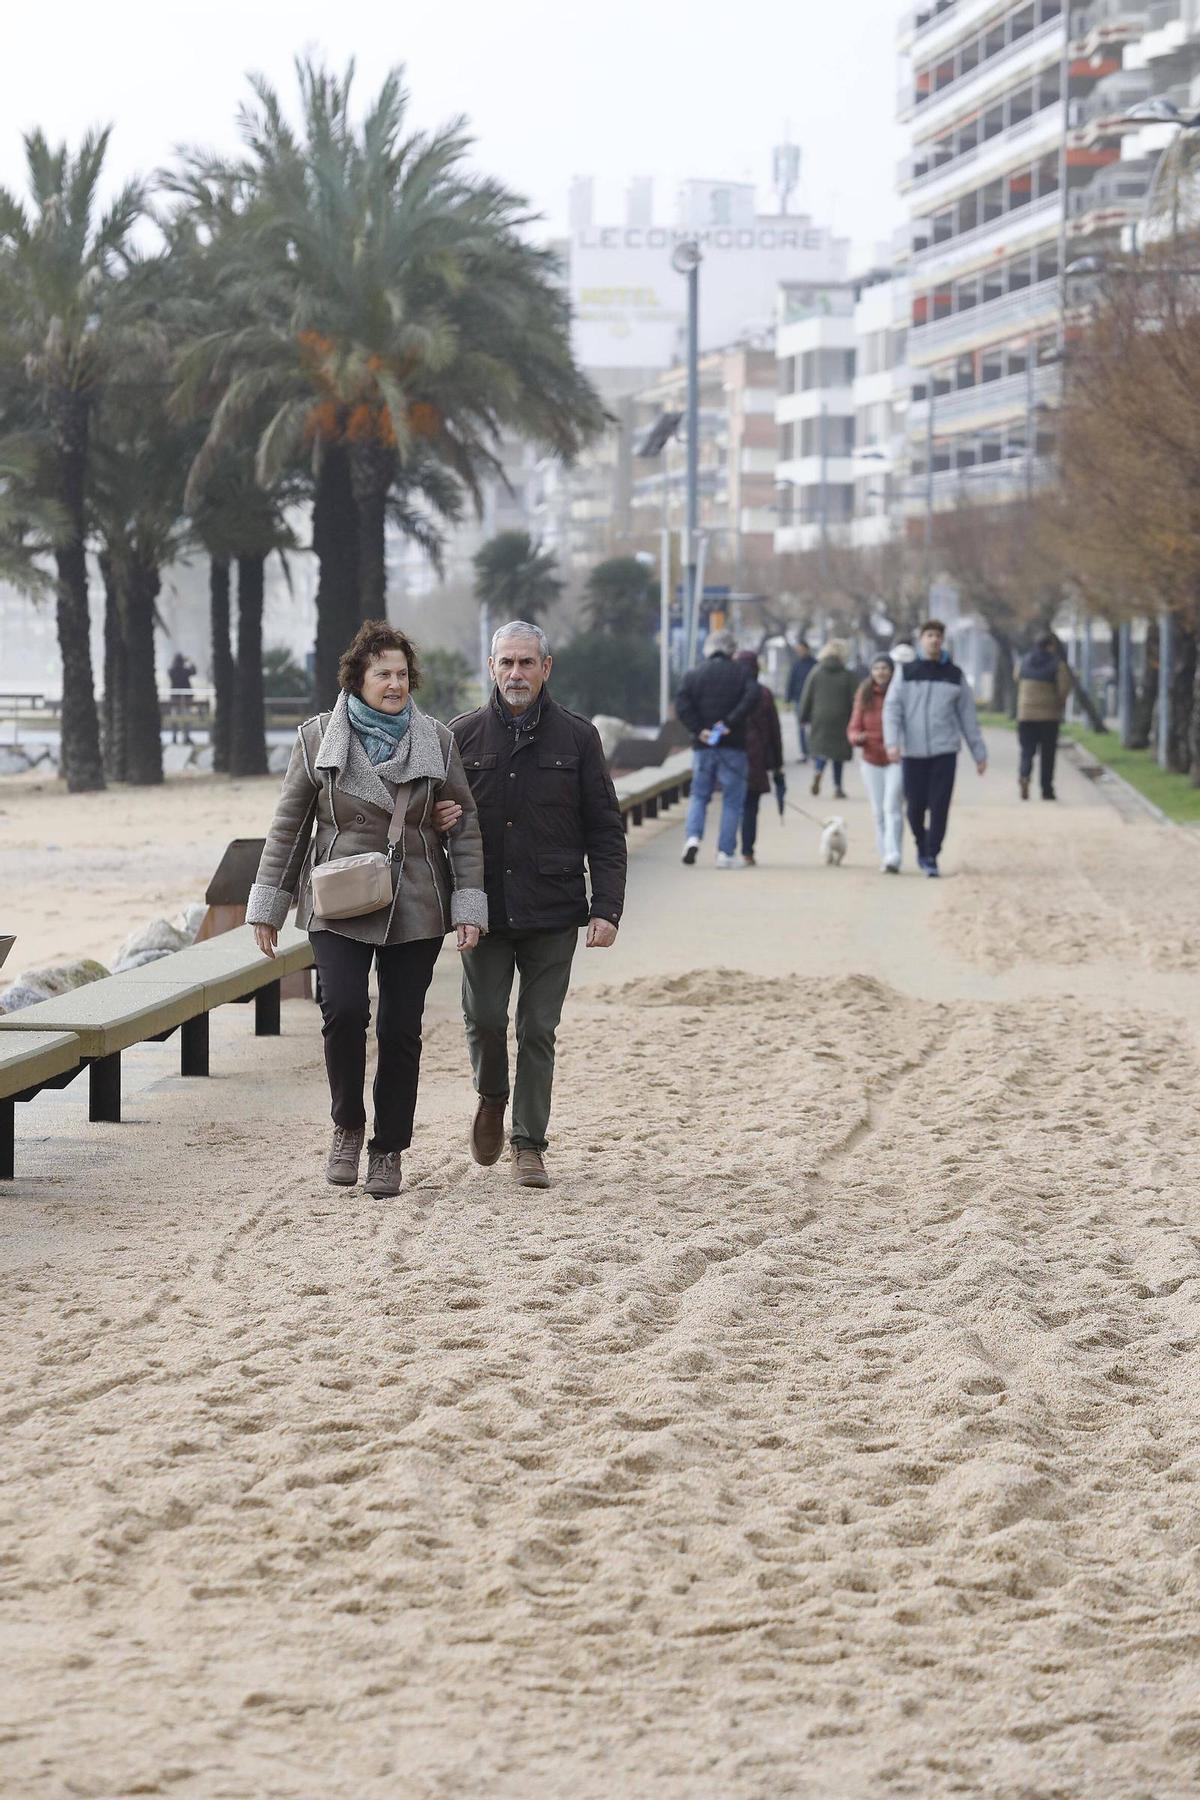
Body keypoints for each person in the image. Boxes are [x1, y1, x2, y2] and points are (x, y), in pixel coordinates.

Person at [247, 621, 487, 1198]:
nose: (395, 684)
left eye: (402, 674)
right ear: (358, 678)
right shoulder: (317, 739)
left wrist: (468, 903)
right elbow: (289, 828)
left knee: (401, 1029)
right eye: (383, 674)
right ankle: (348, 1127)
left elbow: (466, 827)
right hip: (338, 899)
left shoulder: (436, 741)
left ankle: (388, 1149)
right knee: (344, 1012)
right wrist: (268, 906)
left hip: (416, 902)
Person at [450, 621, 627, 1191]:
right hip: (484, 910)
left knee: (537, 1028)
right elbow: (435, 826)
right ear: (491, 667)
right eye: (507, 662)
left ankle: (529, 1144)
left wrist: (607, 908)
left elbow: (605, 828)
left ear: (546, 668)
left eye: (527, 662)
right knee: (484, 1019)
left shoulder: (578, 738)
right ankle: (491, 1096)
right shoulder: (460, 737)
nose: (516, 673)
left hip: (553, 908)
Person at [883, 618, 987, 878]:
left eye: (938, 636)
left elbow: (968, 716)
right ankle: (922, 843)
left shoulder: (954, 675)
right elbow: (892, 709)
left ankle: (932, 854)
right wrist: (892, 743)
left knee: (940, 806)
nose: (934, 640)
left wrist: (979, 753)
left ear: (943, 640)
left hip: (945, 751)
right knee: (915, 807)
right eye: (929, 635)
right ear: (921, 640)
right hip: (913, 751)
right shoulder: (906, 672)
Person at [675, 628, 758, 869]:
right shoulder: (742, 673)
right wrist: (729, 722)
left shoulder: (694, 674)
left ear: (708, 649)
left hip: (703, 745)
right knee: (732, 801)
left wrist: (699, 729)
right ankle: (725, 853)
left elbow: (682, 704)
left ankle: (692, 838)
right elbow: (752, 696)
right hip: (733, 745)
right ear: (732, 650)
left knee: (699, 795)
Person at [849, 653, 903, 873]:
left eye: (885, 668)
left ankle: (894, 854)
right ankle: (885, 855)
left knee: (892, 806)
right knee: (878, 811)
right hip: (871, 758)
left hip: (895, 759)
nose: (881, 672)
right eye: (877, 668)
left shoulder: (900, 692)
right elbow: (854, 725)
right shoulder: (864, 694)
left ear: (892, 671)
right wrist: (856, 737)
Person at [734, 649, 785, 866]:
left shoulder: (730, 692)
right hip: (757, 755)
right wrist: (777, 764)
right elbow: (774, 731)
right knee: (751, 806)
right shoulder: (764, 694)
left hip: (732, 753)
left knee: (731, 804)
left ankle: (726, 849)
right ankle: (747, 851)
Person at [797, 640, 857, 799]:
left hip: (820, 716)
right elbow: (855, 698)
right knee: (838, 754)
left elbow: (807, 696)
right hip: (842, 718)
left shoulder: (816, 672)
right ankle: (837, 787)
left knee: (822, 750)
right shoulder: (847, 674)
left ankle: (818, 771)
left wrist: (803, 716)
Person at [1017, 632, 1072, 801]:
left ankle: (1024, 775)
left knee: (1027, 751)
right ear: (1051, 646)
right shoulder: (1058, 664)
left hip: (1025, 715)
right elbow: (1064, 688)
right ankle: (1046, 790)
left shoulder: (1024, 661)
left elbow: (1016, 677)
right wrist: (1058, 703)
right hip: (1049, 717)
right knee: (1048, 755)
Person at [786, 638, 818, 763]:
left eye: (801, 649)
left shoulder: (815, 664)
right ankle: (804, 753)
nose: (799, 652)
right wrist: (788, 699)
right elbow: (791, 682)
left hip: (814, 700)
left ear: (807, 649)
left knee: (814, 727)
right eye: (798, 650)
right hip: (799, 699)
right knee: (801, 727)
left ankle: (814, 751)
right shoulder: (796, 665)